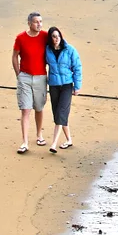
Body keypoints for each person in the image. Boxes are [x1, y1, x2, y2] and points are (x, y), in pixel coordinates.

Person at [11, 12, 49, 153]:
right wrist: (18, 74)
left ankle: (39, 135)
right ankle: (25, 142)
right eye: (36, 22)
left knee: (39, 107)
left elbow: (58, 45)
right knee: (25, 109)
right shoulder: (21, 38)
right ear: (29, 23)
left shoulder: (45, 36)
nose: (39, 24)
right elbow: (14, 56)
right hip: (25, 77)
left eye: (40, 21)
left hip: (40, 77)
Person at [44, 26, 82, 154]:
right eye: (53, 37)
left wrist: (77, 86)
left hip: (67, 85)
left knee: (61, 112)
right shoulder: (47, 50)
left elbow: (77, 67)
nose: (56, 39)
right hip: (54, 85)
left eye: (58, 36)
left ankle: (54, 144)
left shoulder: (69, 50)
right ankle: (69, 140)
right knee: (58, 114)